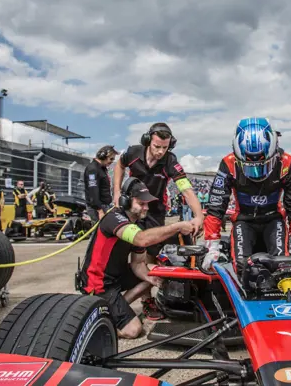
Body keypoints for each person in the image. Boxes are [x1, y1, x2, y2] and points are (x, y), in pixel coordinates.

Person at [78, 177, 197, 338]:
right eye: (141, 203)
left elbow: (138, 264)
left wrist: (153, 280)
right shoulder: (114, 219)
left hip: (116, 277)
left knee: (157, 272)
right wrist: (176, 227)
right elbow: (141, 239)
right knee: (134, 330)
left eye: (147, 203)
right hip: (98, 283)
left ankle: (112, 308)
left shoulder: (137, 225)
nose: (146, 208)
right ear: (126, 202)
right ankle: (100, 320)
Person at [201, 118, 291, 278]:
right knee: (241, 267)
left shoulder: (286, 162)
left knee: (282, 265)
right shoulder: (228, 163)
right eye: (250, 166)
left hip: (273, 220)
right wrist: (212, 247)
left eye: (263, 164)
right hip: (244, 221)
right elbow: (216, 207)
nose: (257, 172)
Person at [113, 123, 204, 263]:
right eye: (157, 146)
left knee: (151, 252)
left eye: (165, 147)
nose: (161, 151)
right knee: (123, 248)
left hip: (155, 210)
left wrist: (198, 216)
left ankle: (148, 280)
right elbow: (119, 165)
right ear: (148, 141)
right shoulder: (133, 152)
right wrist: (117, 192)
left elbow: (186, 189)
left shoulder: (170, 161)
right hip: (132, 207)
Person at [84, 146, 118, 222]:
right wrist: (100, 211)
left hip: (104, 206)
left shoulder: (102, 168)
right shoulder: (93, 169)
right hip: (98, 208)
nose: (112, 161)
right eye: (111, 159)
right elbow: (93, 191)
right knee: (98, 231)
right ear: (103, 156)